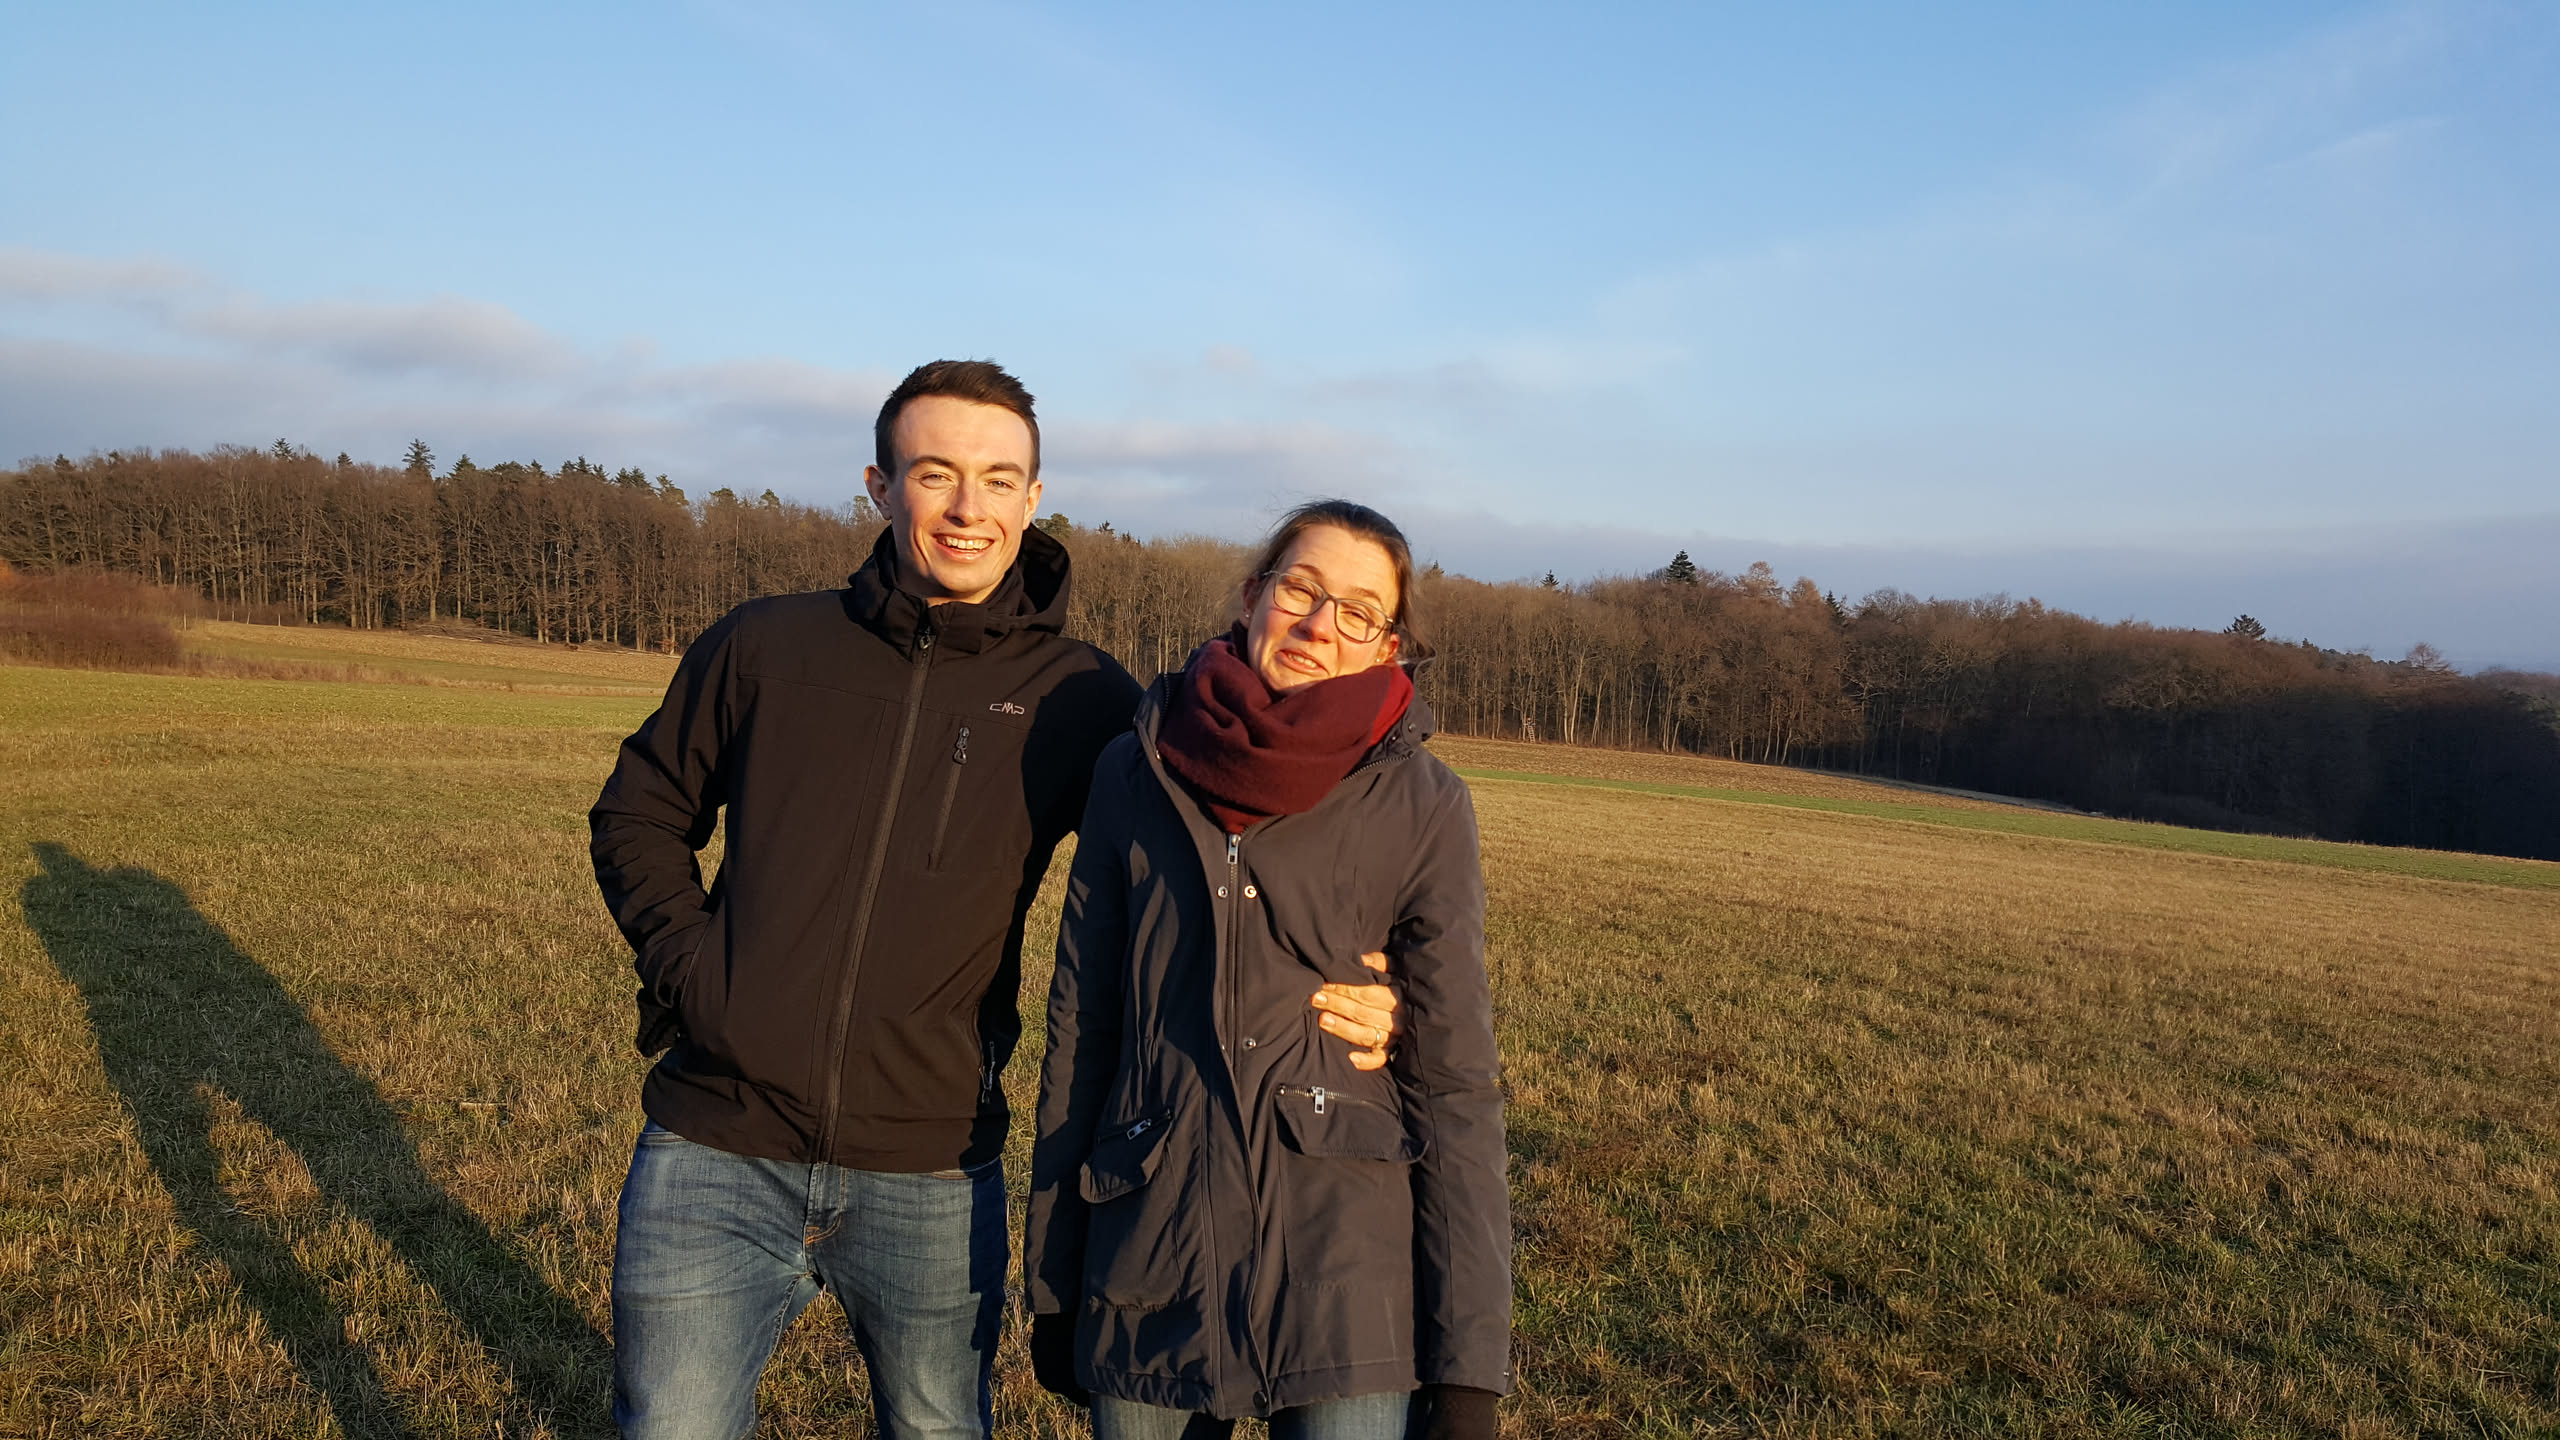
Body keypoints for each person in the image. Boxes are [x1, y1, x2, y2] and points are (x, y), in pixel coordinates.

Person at [588, 364, 1407, 1440]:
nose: (967, 508)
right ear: (880, 487)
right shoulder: (766, 646)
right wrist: (697, 976)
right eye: (935, 474)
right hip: (714, 1146)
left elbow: (1223, 842)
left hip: (932, 1166)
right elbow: (639, 813)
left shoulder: (1086, 695)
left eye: (999, 480)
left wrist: (1359, 984)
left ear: (1033, 498)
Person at [1025, 501, 1511, 1440]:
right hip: (1150, 1252)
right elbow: (1081, 1029)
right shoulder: (1135, 770)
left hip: (1347, 1270)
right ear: (1253, 596)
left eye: (1359, 612)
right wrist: (1053, 1280)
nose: (1321, 624)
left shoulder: (1425, 801)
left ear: (1389, 647)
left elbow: (1457, 1081)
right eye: (1302, 589)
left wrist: (1468, 1365)